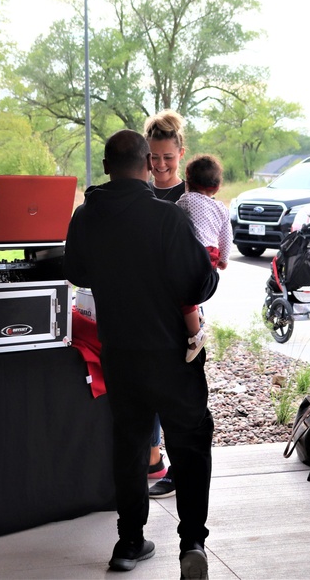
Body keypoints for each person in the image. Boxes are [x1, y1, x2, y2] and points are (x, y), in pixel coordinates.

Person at [63, 129, 218, 578]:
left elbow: (76, 272)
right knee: (190, 445)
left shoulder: (86, 217)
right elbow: (198, 283)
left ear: (107, 167)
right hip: (171, 355)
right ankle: (192, 541)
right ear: (148, 164)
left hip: (120, 353)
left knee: (129, 445)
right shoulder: (166, 218)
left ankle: (128, 542)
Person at [144, 108, 189, 497]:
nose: (159, 165)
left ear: (181, 155)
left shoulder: (191, 198)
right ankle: (153, 459)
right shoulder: (137, 193)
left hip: (179, 306)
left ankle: (180, 470)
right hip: (145, 306)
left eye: (167, 157)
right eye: (154, 157)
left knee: (179, 393)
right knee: (148, 388)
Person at [177, 154, 233, 361]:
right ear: (217, 187)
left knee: (183, 295)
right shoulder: (220, 208)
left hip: (193, 258)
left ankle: (195, 335)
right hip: (211, 260)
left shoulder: (185, 201)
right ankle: (195, 317)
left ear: (187, 181)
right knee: (188, 295)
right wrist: (224, 260)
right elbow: (226, 236)